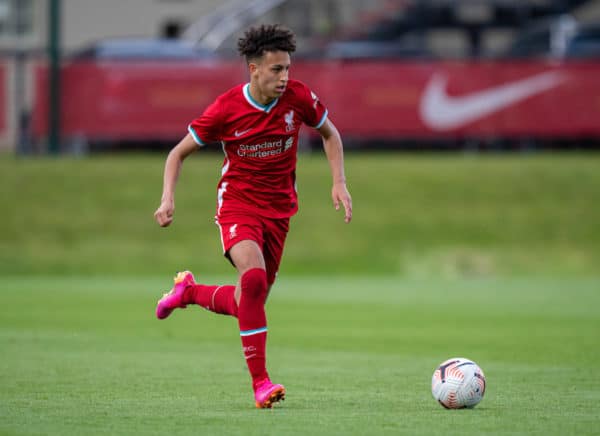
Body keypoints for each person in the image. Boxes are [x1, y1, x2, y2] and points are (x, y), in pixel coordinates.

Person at [153, 24, 352, 409]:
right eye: (276, 70)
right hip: (238, 205)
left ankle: (189, 292)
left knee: (251, 297)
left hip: (279, 212)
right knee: (255, 278)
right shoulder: (227, 108)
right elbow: (176, 153)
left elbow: (331, 134)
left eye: (288, 68)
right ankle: (261, 384)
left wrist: (338, 182)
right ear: (254, 70)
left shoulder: (298, 98)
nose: (285, 77)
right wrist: (167, 199)